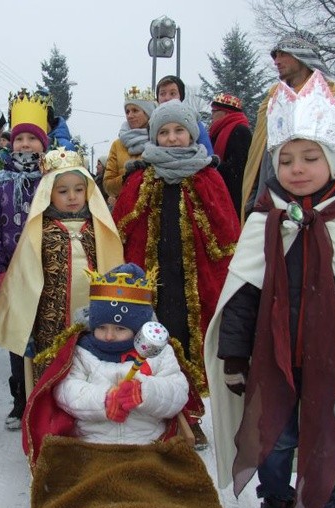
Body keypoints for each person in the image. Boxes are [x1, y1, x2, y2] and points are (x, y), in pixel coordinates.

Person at [205, 70, 335, 508]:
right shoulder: (264, 219)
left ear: (332, 161)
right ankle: (276, 499)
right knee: (273, 439)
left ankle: (320, 505)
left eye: (310, 157)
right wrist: (234, 355)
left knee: (321, 439)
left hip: (332, 362)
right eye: (286, 158)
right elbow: (242, 294)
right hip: (269, 357)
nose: (296, 168)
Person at [112, 99, 241, 449]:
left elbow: (227, 231)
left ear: (192, 134)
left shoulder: (208, 176)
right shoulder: (140, 176)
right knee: (149, 344)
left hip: (192, 285)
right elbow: (121, 226)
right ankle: (153, 411)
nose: (171, 138)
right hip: (152, 282)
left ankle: (190, 415)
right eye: (164, 132)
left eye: (179, 131)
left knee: (187, 346)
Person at [0, 147, 124, 385]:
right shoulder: (39, 230)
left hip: (93, 318)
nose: (72, 196)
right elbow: (24, 276)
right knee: (54, 370)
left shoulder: (97, 228)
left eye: (79, 190)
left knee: (90, 365)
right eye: (63, 191)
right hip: (51, 319)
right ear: (49, 193)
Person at [23, 263, 189, 457]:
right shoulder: (82, 352)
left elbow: (177, 393)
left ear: (138, 329)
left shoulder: (158, 354)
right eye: (102, 327)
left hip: (149, 445)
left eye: (120, 329)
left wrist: (145, 392)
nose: (109, 336)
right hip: (92, 445)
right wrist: (104, 400)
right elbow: (66, 391)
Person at [0, 88, 50, 430]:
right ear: (9, 143)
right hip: (13, 276)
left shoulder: (54, 181)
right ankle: (20, 400)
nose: (24, 145)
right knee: (18, 340)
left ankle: (48, 398)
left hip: (51, 272)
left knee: (50, 336)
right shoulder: (0, 183)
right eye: (18, 138)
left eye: (31, 140)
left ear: (43, 145)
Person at [240, 30, 335, 223]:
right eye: (275, 56)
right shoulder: (274, 97)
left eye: (283, 54)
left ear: (302, 55)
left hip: (322, 200)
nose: (276, 61)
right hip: (274, 191)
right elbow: (259, 157)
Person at [103, 86, 156, 202]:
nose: (130, 115)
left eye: (135, 110)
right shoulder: (117, 145)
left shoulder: (158, 140)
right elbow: (108, 185)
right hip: (125, 209)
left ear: (148, 113)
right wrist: (128, 177)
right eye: (127, 111)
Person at [209, 93, 252, 217]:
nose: (212, 114)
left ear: (226, 113)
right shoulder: (218, 131)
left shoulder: (240, 131)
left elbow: (238, 168)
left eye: (214, 111)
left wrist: (214, 165)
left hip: (234, 194)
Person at [155, 75, 214, 155]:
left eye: (172, 93)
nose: (167, 98)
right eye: (162, 94)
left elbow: (207, 152)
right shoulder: (152, 121)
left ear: (181, 96)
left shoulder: (193, 120)